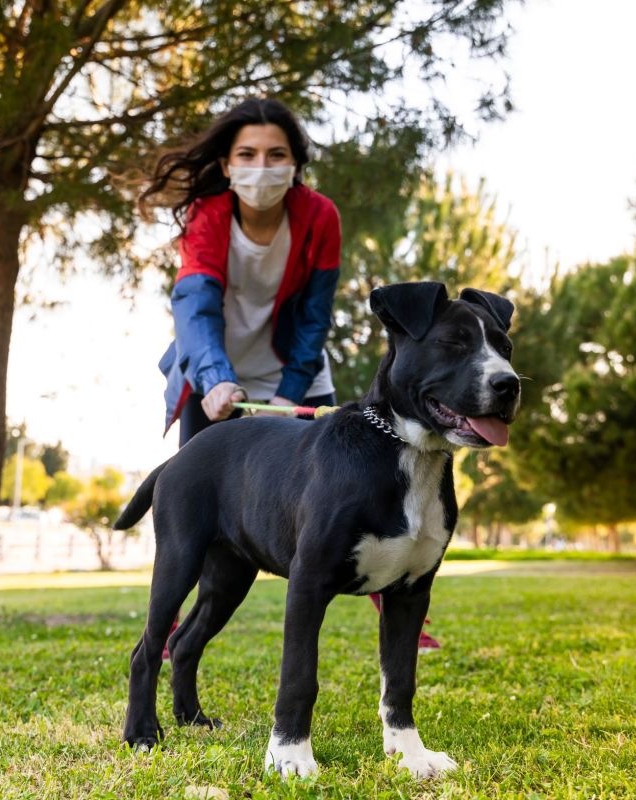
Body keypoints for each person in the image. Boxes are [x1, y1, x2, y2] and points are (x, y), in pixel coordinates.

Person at [139, 97, 440, 654]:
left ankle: (397, 594)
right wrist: (214, 378)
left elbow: (313, 317)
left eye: (276, 154)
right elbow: (194, 305)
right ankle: (169, 631)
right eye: (247, 154)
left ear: (296, 163)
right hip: (213, 376)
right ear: (227, 165)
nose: (262, 167)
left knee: (351, 490)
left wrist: (289, 391)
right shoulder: (208, 216)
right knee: (199, 513)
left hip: (294, 371)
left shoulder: (319, 215)